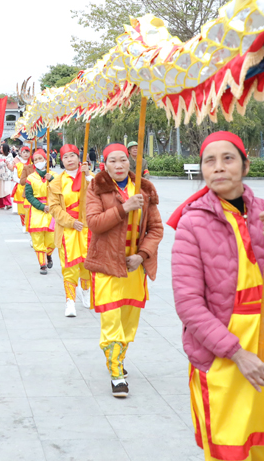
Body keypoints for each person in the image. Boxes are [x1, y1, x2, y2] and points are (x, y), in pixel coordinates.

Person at [168, 131, 264, 460]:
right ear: (202, 170)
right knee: (228, 451)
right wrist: (237, 354)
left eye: (228, 158)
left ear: (245, 165)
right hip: (222, 357)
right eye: (210, 161)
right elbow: (188, 304)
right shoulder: (192, 224)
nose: (219, 167)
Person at [85, 143, 163, 397]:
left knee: (129, 324)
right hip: (108, 266)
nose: (118, 166)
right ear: (104, 165)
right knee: (111, 321)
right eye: (112, 162)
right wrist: (123, 208)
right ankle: (117, 373)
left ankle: (116, 358)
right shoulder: (96, 187)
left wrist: (142, 256)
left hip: (134, 269)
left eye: (122, 161)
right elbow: (95, 223)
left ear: (129, 162)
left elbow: (155, 228)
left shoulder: (144, 189)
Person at [48, 144, 94, 317]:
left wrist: (88, 175)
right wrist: (71, 222)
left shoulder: (90, 178)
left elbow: (102, 193)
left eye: (72, 156)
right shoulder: (56, 183)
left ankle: (86, 291)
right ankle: (70, 301)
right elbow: (54, 208)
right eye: (65, 157)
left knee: (87, 264)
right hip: (68, 230)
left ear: (79, 157)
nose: (69, 159)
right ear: (62, 160)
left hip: (88, 229)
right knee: (69, 267)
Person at [24, 149, 57, 274]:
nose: (38, 161)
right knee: (37, 239)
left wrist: (52, 179)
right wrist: (41, 206)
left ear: (45, 159)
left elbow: (61, 190)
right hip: (37, 210)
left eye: (40, 159)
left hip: (52, 210)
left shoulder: (54, 175)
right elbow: (29, 195)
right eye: (36, 159)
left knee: (52, 239)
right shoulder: (31, 178)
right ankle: (42, 264)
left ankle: (48, 254)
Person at [14, 146, 31, 222]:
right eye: (24, 152)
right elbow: (15, 177)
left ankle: (29, 223)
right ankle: (23, 224)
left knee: (30, 207)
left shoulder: (32, 164)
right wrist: (22, 181)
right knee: (21, 208)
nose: (26, 154)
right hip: (20, 188)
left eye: (27, 152)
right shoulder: (17, 165)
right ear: (20, 153)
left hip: (31, 187)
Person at [0, 144, 15, 210]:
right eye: (0, 148)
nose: (0, 149)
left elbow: (11, 166)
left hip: (7, 176)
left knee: (6, 190)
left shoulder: (10, 156)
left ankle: (8, 203)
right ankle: (1, 204)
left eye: (2, 148)